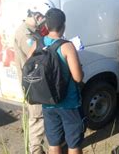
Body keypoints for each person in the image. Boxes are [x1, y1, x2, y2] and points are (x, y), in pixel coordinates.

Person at [28, 8, 84, 154]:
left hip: (47, 103)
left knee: (54, 143)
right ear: (63, 25)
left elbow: (28, 68)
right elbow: (78, 77)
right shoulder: (67, 46)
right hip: (68, 103)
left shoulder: (37, 44)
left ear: (46, 26)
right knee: (74, 144)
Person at [14, 5, 50, 154]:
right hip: (33, 84)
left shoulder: (31, 31)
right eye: (42, 17)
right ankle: (35, 151)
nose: (43, 21)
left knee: (41, 120)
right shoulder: (25, 34)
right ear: (35, 15)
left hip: (35, 81)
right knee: (37, 120)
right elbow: (35, 55)